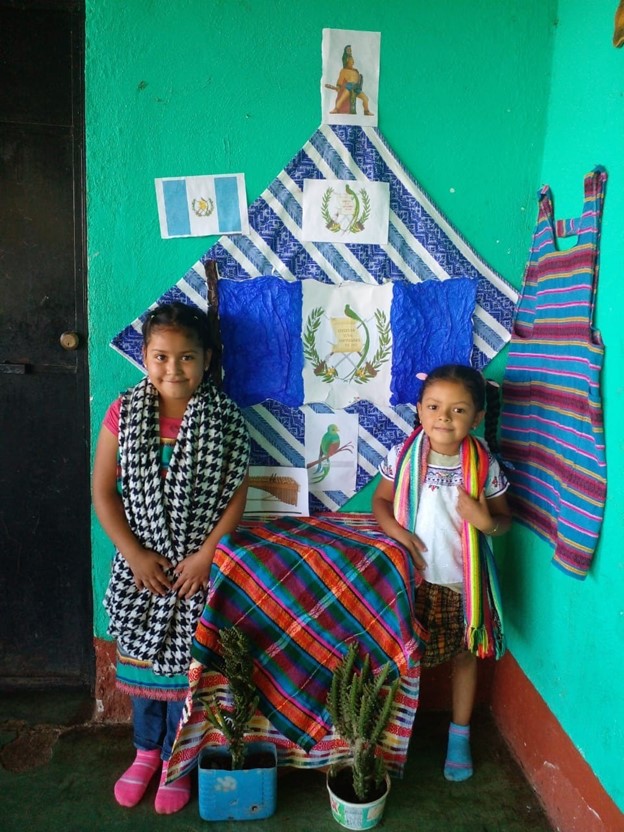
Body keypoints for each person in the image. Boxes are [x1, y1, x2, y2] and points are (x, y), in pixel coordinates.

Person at [92, 301, 250, 814]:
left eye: (186, 358)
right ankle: (143, 755)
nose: (173, 369)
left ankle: (175, 761)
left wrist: (207, 555)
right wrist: (134, 554)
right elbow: (103, 492)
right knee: (143, 678)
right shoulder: (124, 413)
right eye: (161, 356)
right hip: (142, 572)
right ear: (144, 356)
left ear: (206, 359)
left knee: (188, 679)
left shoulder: (223, 419)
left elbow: (235, 493)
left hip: (195, 573)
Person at [372, 364, 511, 782]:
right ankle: (392, 734)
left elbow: (504, 520)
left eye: (458, 410)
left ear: (478, 417)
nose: (444, 418)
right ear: (419, 410)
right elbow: (380, 501)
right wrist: (396, 530)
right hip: (410, 579)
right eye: (434, 407)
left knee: (464, 657)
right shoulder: (403, 455)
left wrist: (484, 521)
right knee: (400, 655)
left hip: (461, 582)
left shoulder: (484, 465)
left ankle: (459, 734)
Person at [329, 44, 373, 116]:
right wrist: (338, 87)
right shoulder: (343, 71)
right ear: (347, 61)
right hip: (349, 86)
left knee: (366, 99)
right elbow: (340, 81)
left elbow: (358, 80)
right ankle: (336, 109)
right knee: (342, 99)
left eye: (353, 60)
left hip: (356, 87)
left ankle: (366, 111)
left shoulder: (355, 70)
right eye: (351, 60)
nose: (353, 61)